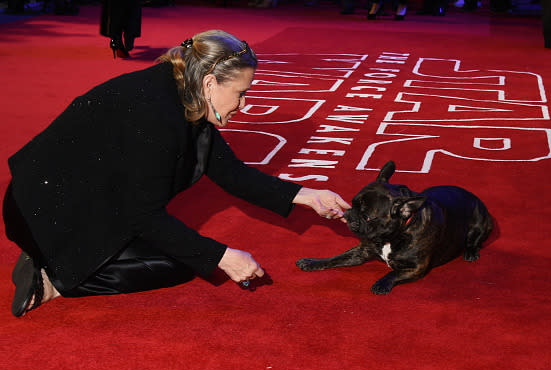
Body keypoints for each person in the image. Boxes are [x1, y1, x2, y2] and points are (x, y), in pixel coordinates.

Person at [5, 30, 351, 317]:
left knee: (186, 252)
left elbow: (228, 171)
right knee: (179, 263)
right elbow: (143, 216)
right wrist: (222, 256)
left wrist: (306, 195)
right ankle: (54, 278)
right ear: (212, 82)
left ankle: (51, 253)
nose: (244, 104)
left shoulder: (179, 90)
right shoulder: (158, 117)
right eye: (240, 93)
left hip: (59, 200)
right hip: (44, 210)